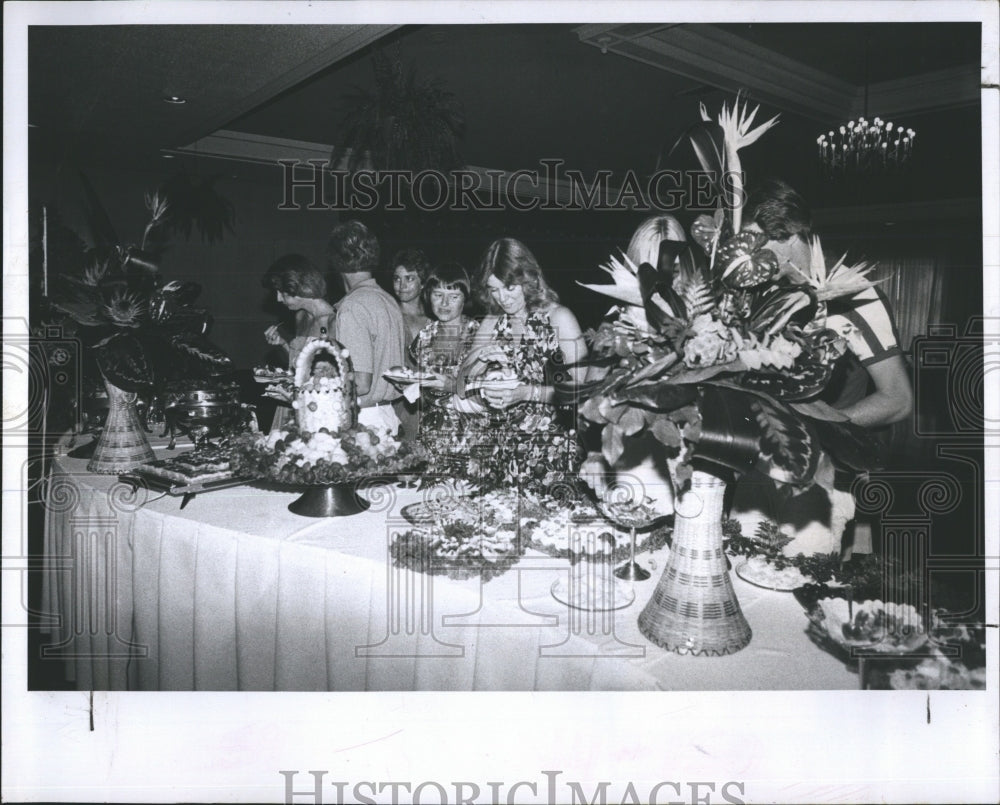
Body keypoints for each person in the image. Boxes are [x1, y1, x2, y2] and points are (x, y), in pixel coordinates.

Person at [732, 179, 914, 556]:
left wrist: (813, 432)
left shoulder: (855, 294)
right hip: (761, 468)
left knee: (798, 598)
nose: (746, 258)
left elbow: (898, 398)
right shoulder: (765, 291)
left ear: (790, 236)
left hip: (822, 478)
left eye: (755, 244)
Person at [455, 237, 587, 491]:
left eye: (509, 287)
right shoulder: (493, 321)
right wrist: (479, 364)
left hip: (549, 453)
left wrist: (526, 393)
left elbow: (582, 390)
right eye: (494, 289)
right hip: (497, 451)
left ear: (528, 279)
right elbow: (461, 385)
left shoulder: (560, 318)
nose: (502, 298)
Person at [578, 215, 687, 515]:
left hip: (684, 459)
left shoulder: (698, 321)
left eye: (667, 266)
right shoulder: (614, 323)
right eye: (645, 265)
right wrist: (595, 454)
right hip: (631, 459)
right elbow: (588, 399)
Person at [327, 220, 407, 434]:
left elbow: (361, 384)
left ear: (336, 262)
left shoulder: (353, 306)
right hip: (388, 415)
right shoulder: (388, 300)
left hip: (364, 421)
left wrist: (314, 391)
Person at [406, 262, 481, 471]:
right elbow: (423, 395)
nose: (444, 303)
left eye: (454, 296)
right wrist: (410, 385)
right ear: (428, 296)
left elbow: (488, 391)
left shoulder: (479, 336)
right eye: (438, 295)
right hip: (432, 438)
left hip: (471, 439)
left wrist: (452, 386)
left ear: (465, 298)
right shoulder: (423, 338)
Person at [261, 254, 336, 429]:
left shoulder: (332, 321)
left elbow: (329, 380)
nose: (278, 299)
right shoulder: (301, 316)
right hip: (293, 404)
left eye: (282, 292)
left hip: (316, 410)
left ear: (299, 287)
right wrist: (283, 344)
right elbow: (300, 365)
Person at [388, 248, 432, 440]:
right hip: (399, 402)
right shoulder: (390, 315)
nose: (402, 285)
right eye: (397, 279)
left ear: (423, 283)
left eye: (409, 278)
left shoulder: (434, 319)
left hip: (429, 401)